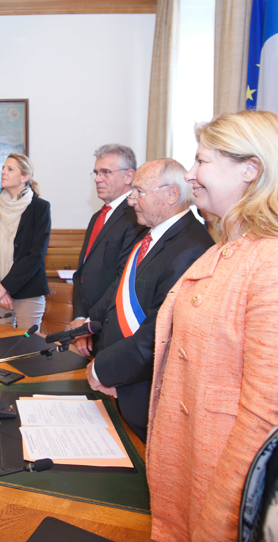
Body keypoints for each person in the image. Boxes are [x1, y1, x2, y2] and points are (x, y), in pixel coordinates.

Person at [146, 110, 278, 542]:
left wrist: (221, 518)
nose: (191, 174)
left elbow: (270, 421)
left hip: (221, 495)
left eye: (202, 161)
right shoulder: (223, 250)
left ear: (250, 170)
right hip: (187, 471)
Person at [84, 159, 213, 441]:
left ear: (171, 194)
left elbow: (158, 335)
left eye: (138, 191)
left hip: (142, 392)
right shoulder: (152, 235)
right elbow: (121, 292)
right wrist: (87, 326)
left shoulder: (190, 247)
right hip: (123, 384)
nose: (131, 200)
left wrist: (101, 368)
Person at [70, 144, 147, 357]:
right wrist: (79, 315)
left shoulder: (136, 217)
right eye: (96, 172)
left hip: (112, 329)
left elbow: (123, 281)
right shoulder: (98, 217)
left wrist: (88, 322)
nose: (97, 179)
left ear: (128, 176)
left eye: (105, 172)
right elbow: (82, 273)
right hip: (89, 326)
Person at [0, 153, 51, 330]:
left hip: (29, 292)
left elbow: (36, 255)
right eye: (3, 168)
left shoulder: (39, 208)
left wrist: (6, 286)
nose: (3, 172)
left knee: (27, 348)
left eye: (10, 169)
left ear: (24, 177)